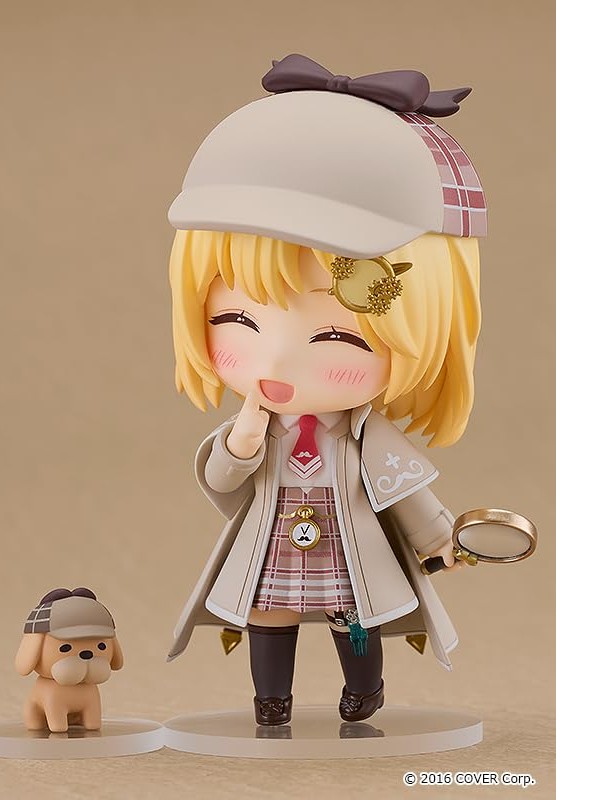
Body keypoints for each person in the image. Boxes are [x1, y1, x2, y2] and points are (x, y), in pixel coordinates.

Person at [165, 54, 486, 726]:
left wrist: (439, 539)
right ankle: (270, 699)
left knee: (354, 613)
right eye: (238, 322)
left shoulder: (367, 435)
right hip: (272, 540)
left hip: (348, 544)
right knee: (268, 612)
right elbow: (223, 483)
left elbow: (404, 491)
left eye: (337, 337)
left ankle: (364, 690)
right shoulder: (256, 425)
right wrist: (243, 441)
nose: (277, 360)